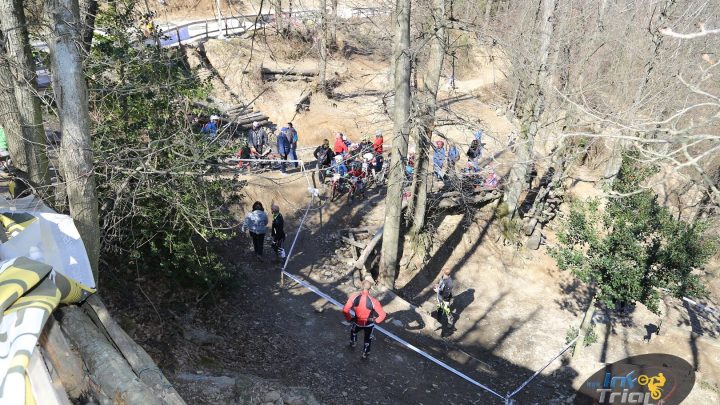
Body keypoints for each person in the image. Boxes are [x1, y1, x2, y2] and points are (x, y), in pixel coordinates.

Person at [343, 279, 387, 359]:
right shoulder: (374, 301)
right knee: (368, 339)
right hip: (369, 324)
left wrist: (349, 319)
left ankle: (353, 343)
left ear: (361, 286)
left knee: (353, 331)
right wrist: (375, 320)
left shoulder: (354, 297)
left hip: (357, 322)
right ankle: (365, 354)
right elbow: (383, 315)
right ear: (370, 288)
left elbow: (345, 310)